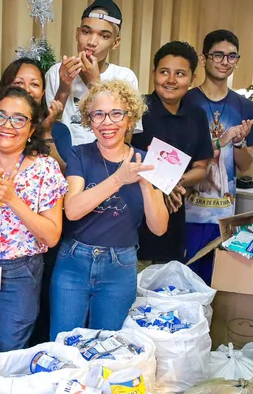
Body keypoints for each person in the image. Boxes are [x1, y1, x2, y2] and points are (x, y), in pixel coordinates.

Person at [50, 80, 166, 337]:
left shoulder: (146, 160)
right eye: (98, 114)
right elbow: (72, 209)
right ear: (88, 120)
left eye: (116, 113)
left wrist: (146, 184)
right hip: (73, 262)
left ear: (130, 118)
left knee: (109, 347)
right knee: (63, 343)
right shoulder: (79, 154)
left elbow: (159, 228)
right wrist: (118, 179)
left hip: (120, 266)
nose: (107, 122)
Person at [0, 86, 66, 351]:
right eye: (0, 116)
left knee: (10, 351)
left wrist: (11, 199)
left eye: (19, 119)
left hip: (20, 274)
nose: (7, 125)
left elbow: (51, 236)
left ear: (31, 130)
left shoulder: (45, 168)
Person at [184, 29, 253, 283]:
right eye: (218, 55)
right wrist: (223, 139)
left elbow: (246, 166)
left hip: (223, 215)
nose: (224, 62)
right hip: (185, 211)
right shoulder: (186, 100)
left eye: (231, 56)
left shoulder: (245, 106)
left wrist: (238, 142)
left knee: (215, 282)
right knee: (183, 280)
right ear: (204, 57)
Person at [132, 41, 212, 266]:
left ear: (192, 79)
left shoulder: (197, 115)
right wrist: (161, 186)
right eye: (164, 72)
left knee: (168, 289)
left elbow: (201, 169)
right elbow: (125, 158)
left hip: (175, 217)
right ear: (154, 73)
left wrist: (173, 182)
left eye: (180, 74)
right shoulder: (138, 110)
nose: (171, 80)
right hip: (137, 219)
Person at [45, 0, 141, 147]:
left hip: (105, 161)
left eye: (104, 36)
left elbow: (126, 139)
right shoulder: (56, 72)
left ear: (115, 43)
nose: (91, 42)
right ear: (77, 34)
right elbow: (48, 132)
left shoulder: (125, 77)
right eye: (86, 32)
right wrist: (63, 90)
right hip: (63, 160)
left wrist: (95, 85)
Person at [0, 57, 67, 167]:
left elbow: (64, 175)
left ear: (42, 93)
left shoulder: (59, 130)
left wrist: (46, 132)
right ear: (4, 89)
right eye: (19, 83)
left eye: (34, 84)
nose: (26, 89)